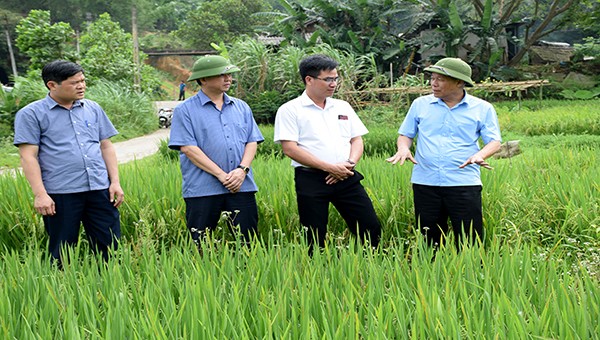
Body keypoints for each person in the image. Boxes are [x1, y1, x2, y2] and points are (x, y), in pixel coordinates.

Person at [13, 60, 124, 265]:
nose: (81, 86)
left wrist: (115, 182)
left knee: (111, 247)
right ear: (52, 85)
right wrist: (40, 194)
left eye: (82, 80)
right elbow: (28, 156)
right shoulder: (31, 114)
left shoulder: (93, 108)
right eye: (74, 82)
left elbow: (106, 146)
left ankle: (112, 289)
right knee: (62, 251)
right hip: (61, 193)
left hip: (99, 188)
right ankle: (64, 292)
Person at [386, 57, 501, 250]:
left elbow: (494, 142)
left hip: (463, 182)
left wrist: (480, 155)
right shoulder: (420, 105)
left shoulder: (482, 108)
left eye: (441, 79)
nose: (434, 83)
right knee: (428, 239)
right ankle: (431, 276)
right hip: (426, 182)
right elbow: (405, 134)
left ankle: (470, 275)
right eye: (432, 78)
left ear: (459, 82)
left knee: (469, 239)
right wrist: (403, 148)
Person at [274, 54, 381, 252]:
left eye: (336, 78)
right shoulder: (290, 110)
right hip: (312, 179)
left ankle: (368, 269)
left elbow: (356, 139)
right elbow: (290, 148)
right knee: (314, 235)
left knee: (369, 227)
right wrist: (329, 167)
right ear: (309, 79)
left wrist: (348, 163)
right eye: (328, 79)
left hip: (346, 175)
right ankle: (318, 275)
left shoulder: (342, 106)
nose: (334, 84)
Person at [169, 55, 264, 246]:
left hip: (241, 186)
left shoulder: (241, 107)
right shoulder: (185, 110)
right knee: (201, 243)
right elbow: (188, 148)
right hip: (202, 189)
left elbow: (251, 141)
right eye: (222, 75)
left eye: (229, 74)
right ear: (203, 79)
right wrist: (221, 175)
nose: (228, 79)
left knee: (249, 242)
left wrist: (241, 170)